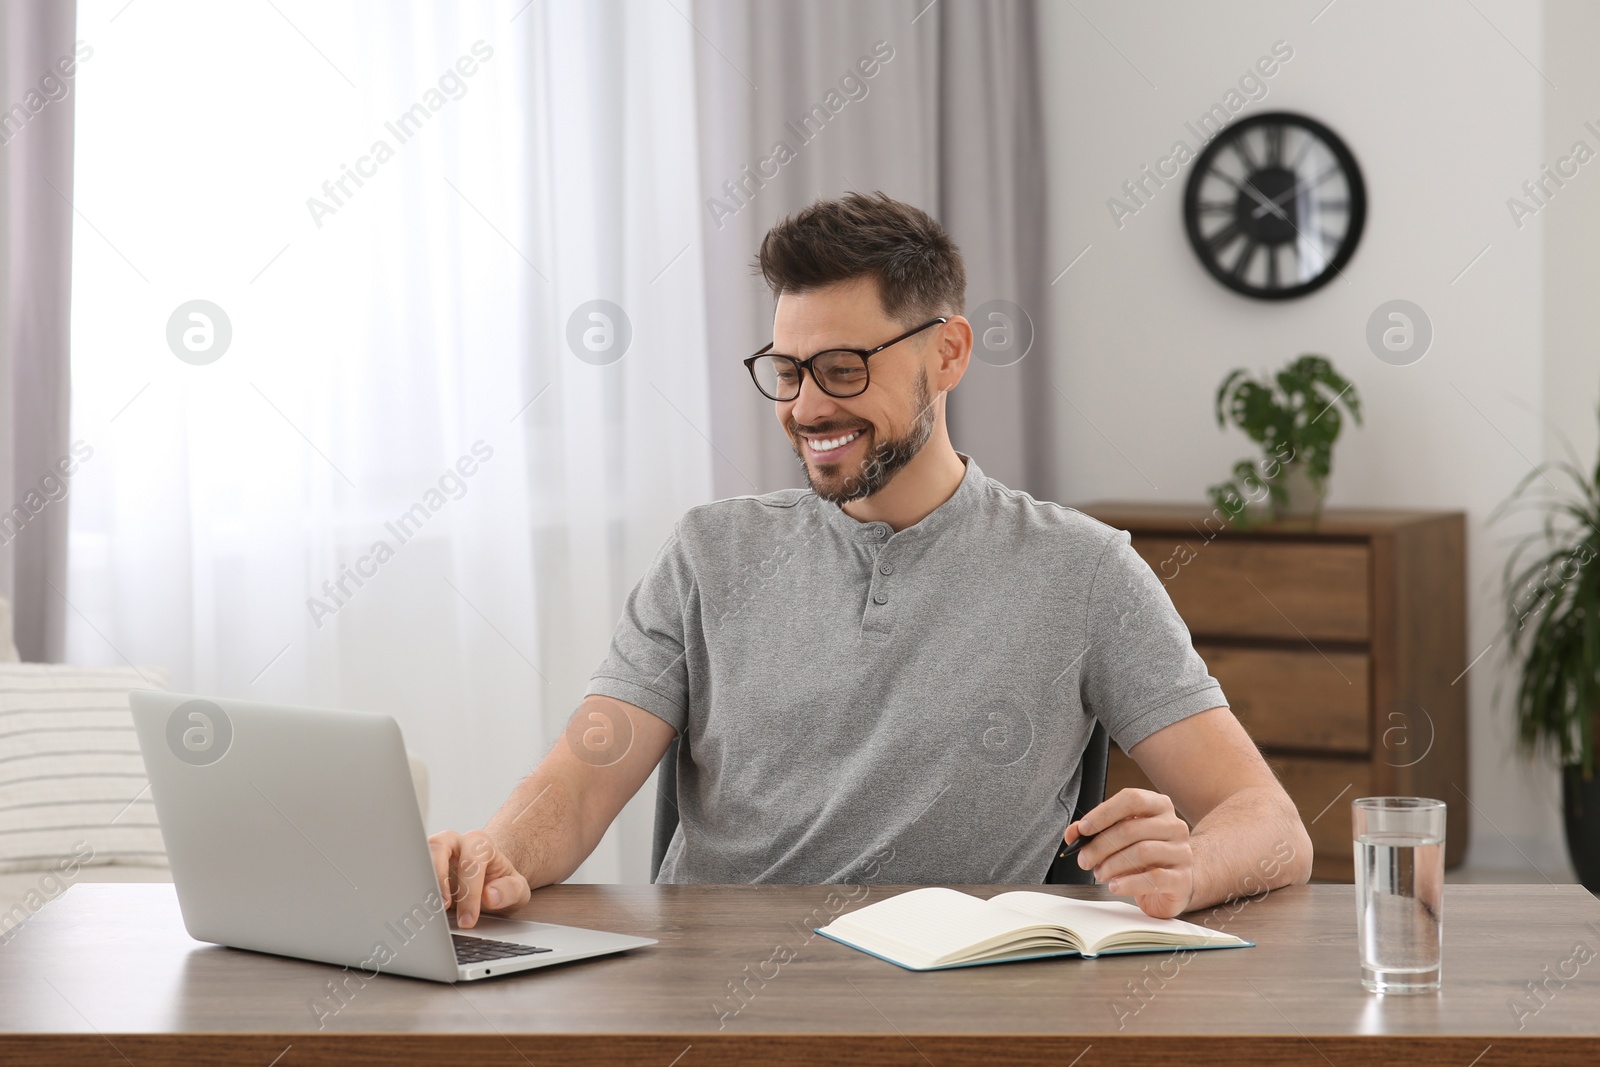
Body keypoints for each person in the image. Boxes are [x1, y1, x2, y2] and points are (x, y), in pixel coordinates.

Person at [431, 192, 1313, 926]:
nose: (807, 406)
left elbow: (1271, 823)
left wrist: (1187, 869)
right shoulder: (709, 553)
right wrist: (494, 852)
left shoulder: (1083, 572)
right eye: (788, 369)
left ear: (949, 354)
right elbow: (577, 785)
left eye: (844, 367)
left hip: (948, 1011)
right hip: (707, 1006)